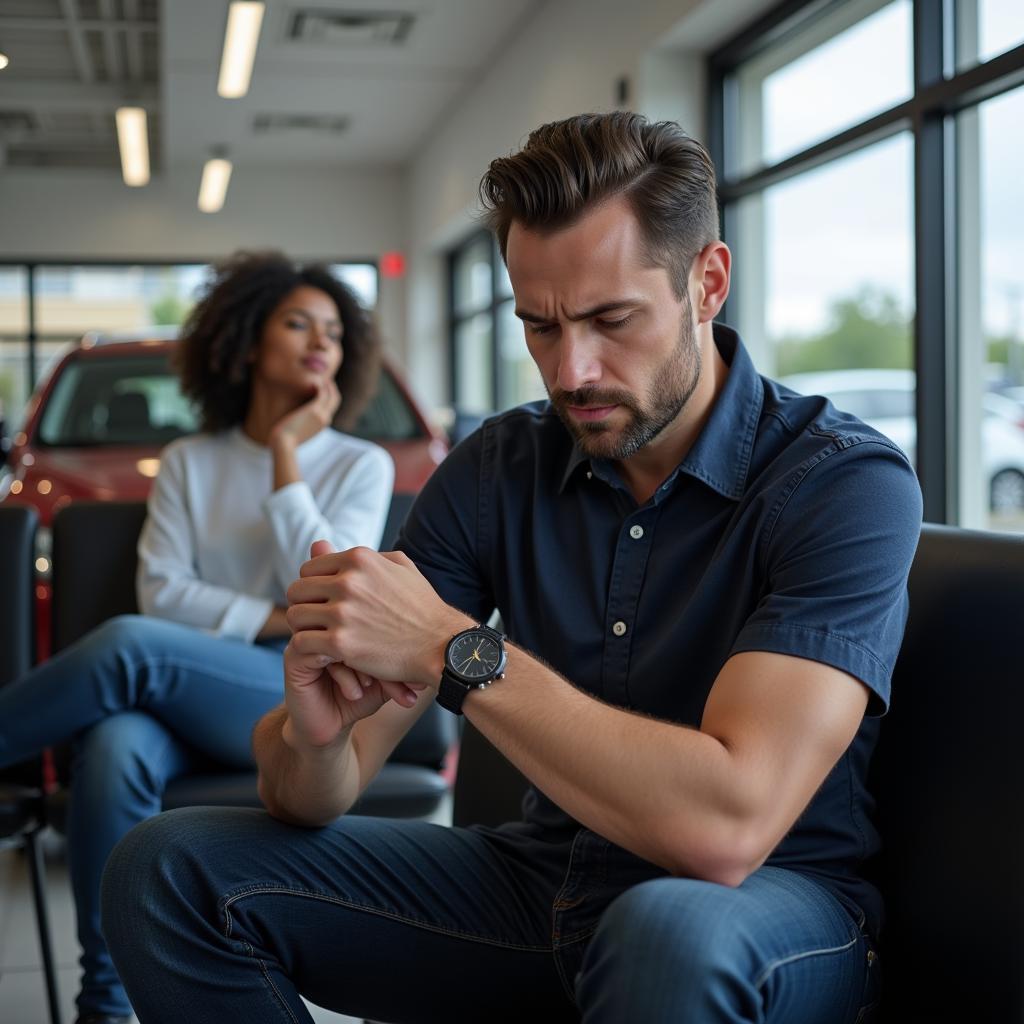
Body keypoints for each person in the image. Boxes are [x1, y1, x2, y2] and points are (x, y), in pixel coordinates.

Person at [101, 114, 922, 1023]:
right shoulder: (500, 466)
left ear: (708, 283)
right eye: (540, 326)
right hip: (546, 889)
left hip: (771, 913)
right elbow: (307, 796)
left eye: (612, 320)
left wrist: (458, 651)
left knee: (670, 935)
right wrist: (317, 737)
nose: (572, 371)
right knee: (166, 867)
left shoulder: (842, 480)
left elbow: (729, 828)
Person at [0, 251, 394, 1024]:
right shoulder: (189, 461)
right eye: (297, 323)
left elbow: (333, 588)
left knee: (129, 647)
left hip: (297, 690)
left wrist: (285, 459)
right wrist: (281, 614)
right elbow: (163, 592)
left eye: (334, 333)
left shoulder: (360, 464)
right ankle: (105, 1006)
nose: (321, 342)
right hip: (193, 696)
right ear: (247, 341)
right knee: (112, 743)